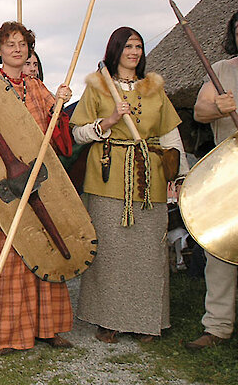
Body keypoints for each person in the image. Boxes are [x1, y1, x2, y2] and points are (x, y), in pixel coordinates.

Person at [71, 26, 187, 343]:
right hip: (107, 177)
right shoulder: (98, 87)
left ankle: (146, 321)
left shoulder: (154, 88)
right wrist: (107, 122)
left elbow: (170, 136)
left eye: (138, 46)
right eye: (128, 47)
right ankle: (107, 320)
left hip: (149, 177)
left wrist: (179, 176)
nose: (134, 52)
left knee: (148, 252)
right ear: (115, 50)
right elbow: (78, 133)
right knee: (110, 252)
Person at [0, 21, 74, 355]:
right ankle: (3, 332)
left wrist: (60, 106)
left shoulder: (37, 88)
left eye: (23, 44)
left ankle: (48, 326)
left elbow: (54, 136)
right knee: (6, 255)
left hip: (36, 184)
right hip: (2, 187)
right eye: (10, 44)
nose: (17, 49)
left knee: (44, 247)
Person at [186, 11, 238, 350]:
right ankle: (217, 327)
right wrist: (219, 108)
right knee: (221, 248)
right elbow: (199, 112)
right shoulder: (221, 71)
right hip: (228, 174)